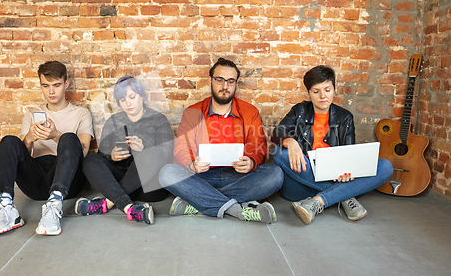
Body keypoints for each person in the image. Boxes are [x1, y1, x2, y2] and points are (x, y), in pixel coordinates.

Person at [159, 58, 284, 223]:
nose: (225, 86)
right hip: (201, 176)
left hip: (238, 176)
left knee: (275, 174)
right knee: (167, 173)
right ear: (210, 80)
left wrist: (251, 162)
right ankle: (237, 209)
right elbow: (181, 149)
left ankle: (198, 202)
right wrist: (192, 164)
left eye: (230, 81)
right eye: (220, 80)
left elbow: (258, 146)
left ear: (235, 84)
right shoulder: (192, 112)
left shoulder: (249, 111)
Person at [271, 65, 394, 225]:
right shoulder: (300, 110)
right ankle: (343, 196)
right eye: (316, 91)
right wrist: (290, 141)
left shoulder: (345, 118)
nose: (323, 96)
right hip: (301, 181)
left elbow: (349, 156)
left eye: (327, 90)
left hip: (335, 178)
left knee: (385, 167)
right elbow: (276, 133)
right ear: (309, 93)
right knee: (279, 152)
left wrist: (348, 173)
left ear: (334, 89)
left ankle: (318, 201)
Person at [0, 61, 94, 237]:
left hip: (69, 182)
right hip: (37, 181)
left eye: (56, 85)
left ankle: (54, 205)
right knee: (9, 141)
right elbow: (20, 158)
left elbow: (82, 151)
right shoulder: (31, 115)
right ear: (41, 86)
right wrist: (29, 138)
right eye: (46, 86)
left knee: (68, 138)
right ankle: (6, 207)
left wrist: (55, 135)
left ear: (66, 84)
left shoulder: (81, 114)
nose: (51, 91)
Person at [75, 76, 174, 225]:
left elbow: (166, 154)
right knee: (90, 160)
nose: (128, 103)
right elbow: (101, 157)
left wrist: (144, 150)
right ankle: (130, 209)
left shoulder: (158, 120)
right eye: (122, 100)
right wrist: (111, 156)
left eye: (132, 97)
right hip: (119, 178)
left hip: (148, 187)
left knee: (152, 153)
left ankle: (107, 203)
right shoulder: (113, 122)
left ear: (142, 96)